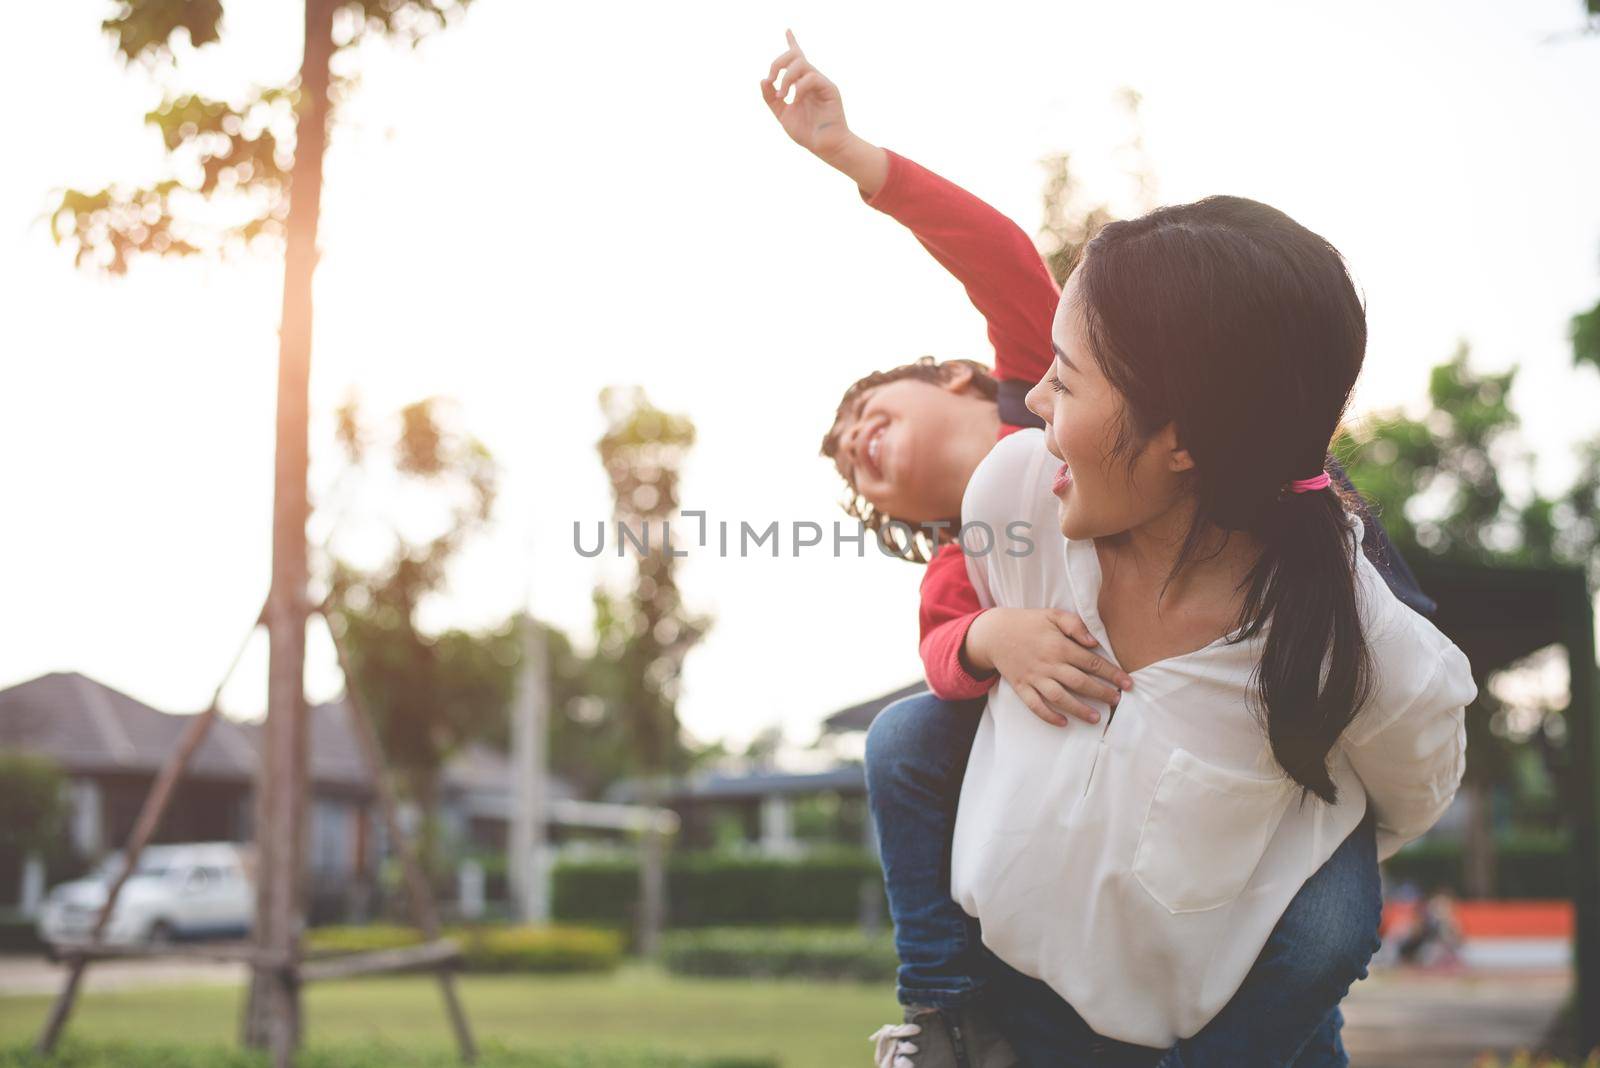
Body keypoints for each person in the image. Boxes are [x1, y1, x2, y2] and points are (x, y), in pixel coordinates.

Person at [762, 33, 1441, 1068]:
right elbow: (945, 652)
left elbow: (989, 245)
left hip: (1303, 649)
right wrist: (996, 632)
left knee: (1325, 923)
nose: (857, 444)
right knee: (902, 737)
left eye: (867, 412)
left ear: (952, 378)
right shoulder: (977, 544)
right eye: (855, 468)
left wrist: (855, 157)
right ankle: (943, 1015)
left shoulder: (1049, 356)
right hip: (1101, 871)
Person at [937, 194, 1476, 1066]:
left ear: (1181, 442)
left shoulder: (1368, 652)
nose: (1034, 400)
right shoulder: (1016, 500)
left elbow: (1404, 798)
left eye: (1066, 380)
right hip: (1013, 1027)